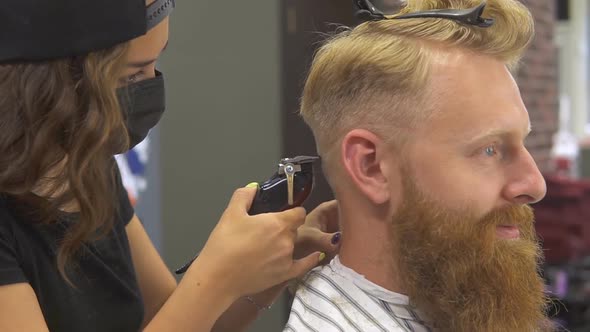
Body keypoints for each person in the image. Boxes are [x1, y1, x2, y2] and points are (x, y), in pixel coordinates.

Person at [0, 1, 341, 331]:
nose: (151, 87)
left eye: (155, 65)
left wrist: (266, 265)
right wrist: (215, 277)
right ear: (55, 83)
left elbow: (187, 321)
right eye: (133, 76)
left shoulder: (91, 174)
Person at [285, 0, 557, 331]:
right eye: (489, 149)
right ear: (371, 166)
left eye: (522, 142)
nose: (535, 184)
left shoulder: (459, 297)